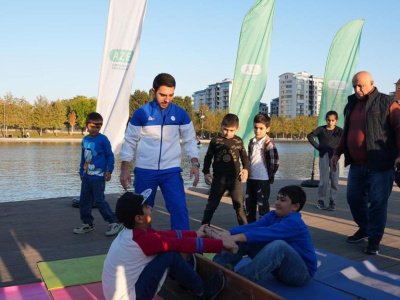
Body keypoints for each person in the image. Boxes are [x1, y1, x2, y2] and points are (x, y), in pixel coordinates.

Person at [102, 191, 238, 300]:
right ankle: (203, 291)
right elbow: (178, 244)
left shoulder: (132, 232)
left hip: (119, 293)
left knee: (169, 248)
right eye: (145, 206)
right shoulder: (141, 240)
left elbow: (166, 235)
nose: (150, 207)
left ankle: (186, 278)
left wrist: (196, 234)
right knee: (170, 254)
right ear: (138, 218)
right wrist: (221, 245)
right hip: (131, 296)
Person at [331, 71, 400, 255]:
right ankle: (365, 228)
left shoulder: (387, 102)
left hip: (381, 164)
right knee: (353, 198)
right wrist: (337, 153)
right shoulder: (351, 104)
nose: (357, 89)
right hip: (357, 163)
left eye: (361, 85)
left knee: (378, 203)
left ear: (372, 83)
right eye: (354, 85)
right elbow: (346, 132)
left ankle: (374, 240)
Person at [119, 73, 200, 230]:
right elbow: (129, 141)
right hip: (145, 171)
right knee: (140, 214)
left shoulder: (181, 114)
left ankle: (182, 250)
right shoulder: (141, 113)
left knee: (179, 210)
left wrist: (195, 163)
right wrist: (124, 168)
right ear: (153, 91)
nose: (167, 100)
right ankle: (142, 249)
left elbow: (190, 140)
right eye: (162, 94)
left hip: (171, 171)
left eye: (171, 95)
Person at [211, 185, 317, 287]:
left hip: (301, 274)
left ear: (295, 206)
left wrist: (235, 237)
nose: (277, 203)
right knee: (246, 238)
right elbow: (254, 227)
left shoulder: (295, 223)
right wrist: (229, 233)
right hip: (281, 268)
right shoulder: (273, 215)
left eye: (283, 200)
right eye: (277, 199)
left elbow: (266, 233)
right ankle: (217, 268)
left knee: (278, 245)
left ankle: (238, 282)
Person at [73, 112, 122, 236]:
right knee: (84, 201)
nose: (95, 129)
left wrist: (109, 170)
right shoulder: (85, 140)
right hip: (86, 176)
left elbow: (110, 156)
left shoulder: (103, 139)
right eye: (92, 126)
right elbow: (83, 158)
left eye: (98, 126)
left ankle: (114, 222)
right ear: (86, 126)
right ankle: (87, 224)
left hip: (99, 177)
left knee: (99, 201)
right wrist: (81, 171)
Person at [201, 113, 250, 225]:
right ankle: (204, 227)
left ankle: (245, 230)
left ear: (237, 129)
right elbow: (208, 157)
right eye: (225, 129)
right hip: (218, 179)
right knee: (211, 205)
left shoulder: (238, 141)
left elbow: (244, 157)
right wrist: (206, 172)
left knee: (240, 206)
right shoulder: (215, 141)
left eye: (231, 130)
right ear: (221, 126)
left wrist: (246, 169)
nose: (228, 133)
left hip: (235, 179)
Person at [246, 113, 279, 223]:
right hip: (251, 178)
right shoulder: (251, 142)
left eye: (261, 128)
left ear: (267, 129)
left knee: (263, 205)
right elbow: (249, 157)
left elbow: (275, 163)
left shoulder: (269, 144)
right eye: (255, 128)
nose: (258, 131)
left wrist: (269, 175)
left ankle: (264, 227)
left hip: (263, 179)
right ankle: (250, 226)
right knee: (249, 204)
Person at [307, 111, 343, 211]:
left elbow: (345, 142)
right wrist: (318, 147)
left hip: (335, 157)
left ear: (336, 121)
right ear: (326, 119)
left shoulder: (340, 131)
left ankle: (332, 202)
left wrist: (339, 152)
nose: (330, 122)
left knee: (335, 181)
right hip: (323, 156)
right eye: (328, 120)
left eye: (333, 120)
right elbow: (310, 136)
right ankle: (321, 201)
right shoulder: (321, 129)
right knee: (324, 181)